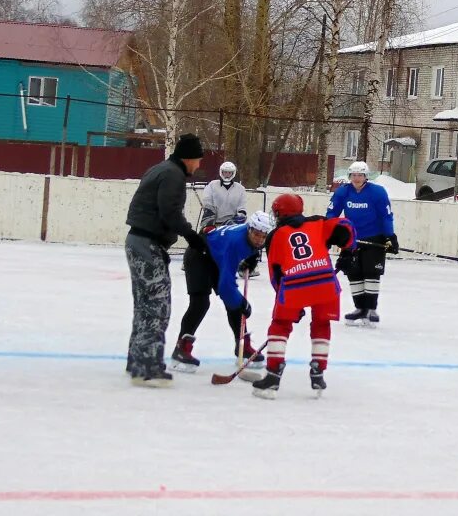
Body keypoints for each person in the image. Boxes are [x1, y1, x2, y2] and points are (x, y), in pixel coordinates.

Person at [124, 133, 210, 387]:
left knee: (144, 304)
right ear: (189, 158)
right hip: (148, 242)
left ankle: (138, 360)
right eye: (198, 160)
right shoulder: (173, 175)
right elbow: (169, 212)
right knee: (156, 305)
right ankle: (147, 368)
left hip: (138, 240)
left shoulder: (160, 169)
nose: (199, 165)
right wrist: (191, 235)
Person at [252, 193, 356, 399]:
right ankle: (318, 370)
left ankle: (273, 374)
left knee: (280, 324)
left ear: (280, 213)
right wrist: (348, 250)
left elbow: (275, 274)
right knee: (321, 324)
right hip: (325, 283)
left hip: (294, 285)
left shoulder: (275, 235)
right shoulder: (318, 222)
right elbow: (345, 226)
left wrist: (288, 301)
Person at [170, 211, 274, 372]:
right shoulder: (235, 244)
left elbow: (252, 247)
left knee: (233, 304)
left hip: (216, 255)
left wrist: (251, 258)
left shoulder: (251, 236)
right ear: (250, 229)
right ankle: (181, 348)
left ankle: (242, 345)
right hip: (199, 256)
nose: (259, 239)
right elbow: (226, 287)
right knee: (201, 303)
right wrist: (243, 304)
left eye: (263, 236)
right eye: (256, 235)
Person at [326, 161, 398, 325]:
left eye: (360, 175)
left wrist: (389, 236)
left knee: (371, 273)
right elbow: (332, 214)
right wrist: (330, 234)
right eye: (354, 175)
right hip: (351, 239)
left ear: (366, 176)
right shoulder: (342, 192)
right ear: (349, 176)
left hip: (374, 238)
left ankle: (371, 308)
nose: (357, 178)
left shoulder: (378, 192)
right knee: (354, 273)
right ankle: (360, 308)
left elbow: (386, 215)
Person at [199, 161, 259, 279]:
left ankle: (247, 266)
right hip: (213, 219)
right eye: (225, 172)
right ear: (221, 172)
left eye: (229, 173)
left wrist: (241, 215)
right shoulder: (212, 185)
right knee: (202, 236)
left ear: (233, 173)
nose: (226, 175)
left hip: (231, 221)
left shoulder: (240, 188)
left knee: (244, 238)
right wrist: (209, 221)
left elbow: (242, 206)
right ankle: (192, 261)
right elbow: (208, 203)